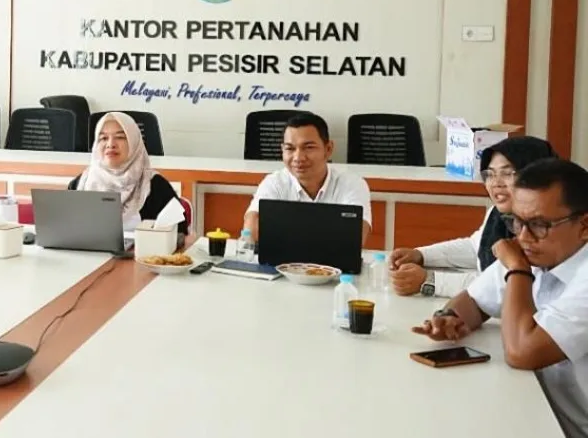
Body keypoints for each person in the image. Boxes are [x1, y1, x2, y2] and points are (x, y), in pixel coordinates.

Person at [410, 158, 588, 437]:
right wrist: (448, 318)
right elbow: (472, 302)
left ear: (584, 225)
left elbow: (522, 353)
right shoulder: (538, 248)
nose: (525, 237)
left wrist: (517, 269)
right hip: (540, 414)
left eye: (540, 225)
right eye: (516, 222)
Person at [390, 136, 557, 297]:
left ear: (536, 175)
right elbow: (476, 247)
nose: (496, 183)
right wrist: (421, 255)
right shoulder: (498, 214)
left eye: (507, 173)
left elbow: (504, 287)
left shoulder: (546, 226)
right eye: (490, 174)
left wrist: (430, 280)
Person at [242, 112, 372, 243]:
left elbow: (355, 238)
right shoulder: (275, 182)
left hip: (332, 264)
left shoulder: (352, 184)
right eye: (290, 148)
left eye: (309, 147)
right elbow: (251, 230)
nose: (298, 158)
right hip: (281, 263)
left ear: (328, 149)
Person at [67, 112, 188, 235]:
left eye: (120, 137)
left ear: (134, 141)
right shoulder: (79, 185)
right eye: (103, 138)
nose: (111, 144)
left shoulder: (155, 187)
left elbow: (180, 235)